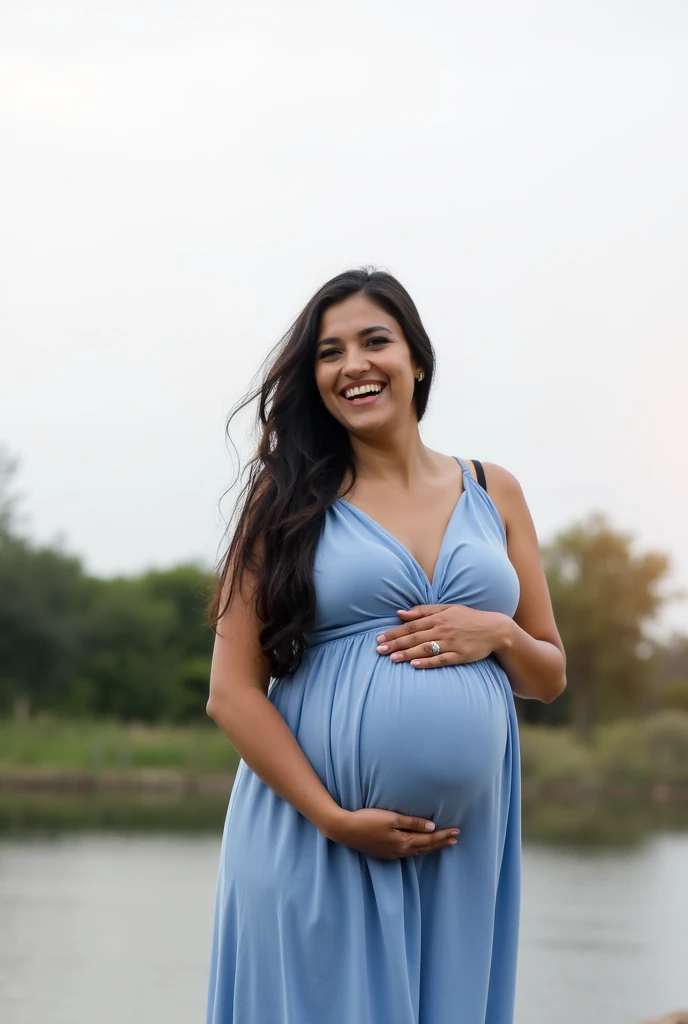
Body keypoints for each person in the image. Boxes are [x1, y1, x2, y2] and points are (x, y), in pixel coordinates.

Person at [204, 267, 566, 1024]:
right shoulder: (286, 500)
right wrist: (335, 819)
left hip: (464, 852)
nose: (353, 365)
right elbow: (231, 693)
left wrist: (496, 631)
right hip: (318, 837)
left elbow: (549, 676)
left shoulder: (492, 489)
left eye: (375, 341)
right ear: (317, 379)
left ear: (417, 359)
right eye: (330, 353)